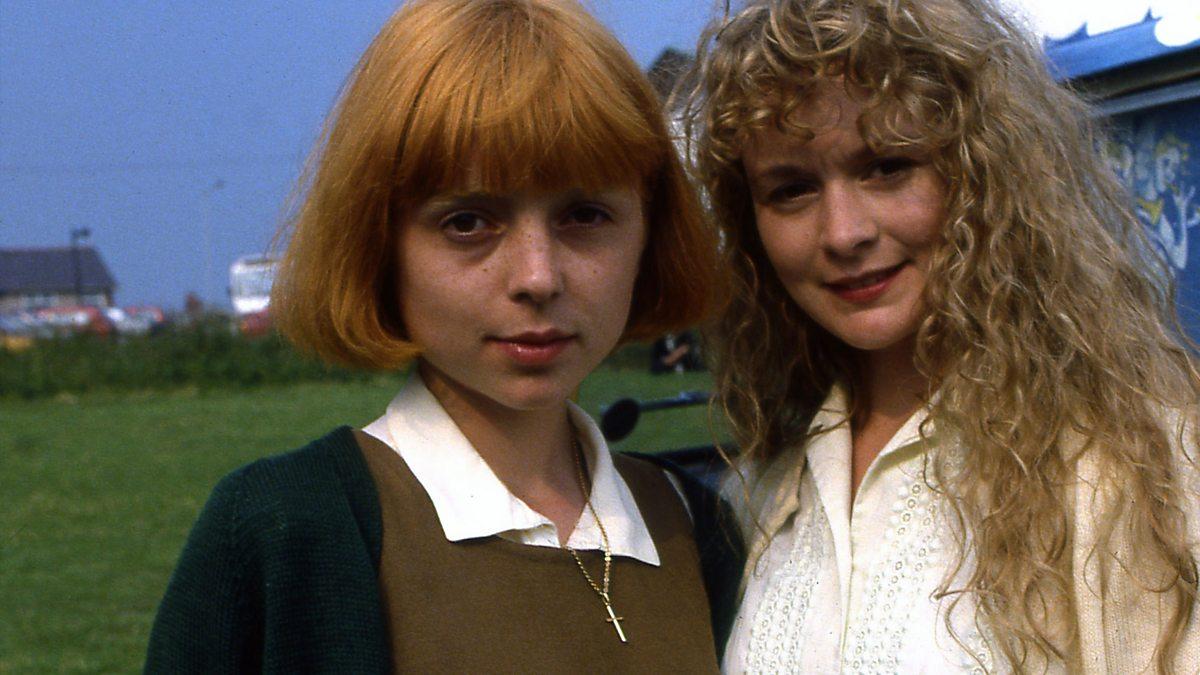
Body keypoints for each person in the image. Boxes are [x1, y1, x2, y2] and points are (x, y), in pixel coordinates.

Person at [145, 0, 728, 671]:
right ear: (379, 243)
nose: (538, 277)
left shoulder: (697, 525)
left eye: (585, 215)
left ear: (650, 232)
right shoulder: (283, 530)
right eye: (468, 222)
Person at [685, 0, 1200, 671]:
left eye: (886, 166)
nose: (843, 232)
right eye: (791, 190)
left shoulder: (1139, 460)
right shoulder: (766, 488)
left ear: (984, 172)